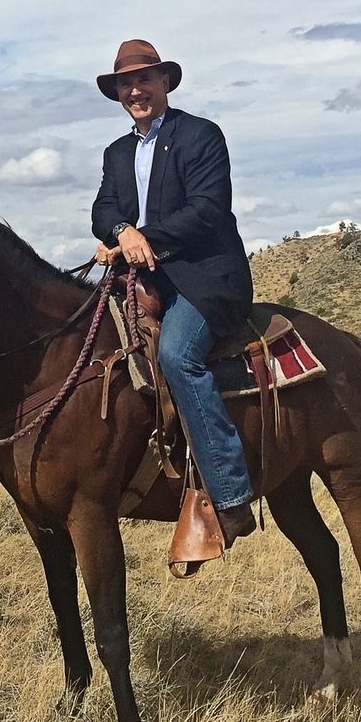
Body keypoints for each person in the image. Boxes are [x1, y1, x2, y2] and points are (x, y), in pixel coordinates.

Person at [90, 38, 258, 545]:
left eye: (145, 79)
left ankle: (229, 493)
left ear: (166, 82)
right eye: (126, 82)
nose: (135, 89)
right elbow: (103, 209)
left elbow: (209, 209)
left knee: (178, 355)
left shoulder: (201, 136)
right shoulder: (117, 152)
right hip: (142, 276)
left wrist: (145, 238)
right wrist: (120, 231)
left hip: (206, 279)